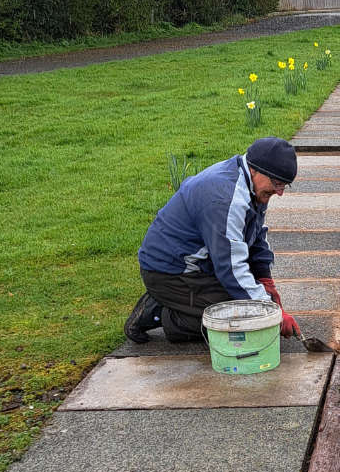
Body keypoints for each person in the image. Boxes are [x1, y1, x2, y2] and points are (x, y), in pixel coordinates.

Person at [124, 136, 300, 344]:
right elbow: (230, 268)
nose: (279, 192)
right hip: (170, 272)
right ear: (255, 170)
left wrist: (264, 279)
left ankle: (180, 301)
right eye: (277, 183)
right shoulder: (225, 198)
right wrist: (270, 313)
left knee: (253, 304)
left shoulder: (251, 185)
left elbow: (255, 234)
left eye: (285, 185)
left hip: (201, 265)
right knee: (242, 319)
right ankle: (160, 312)